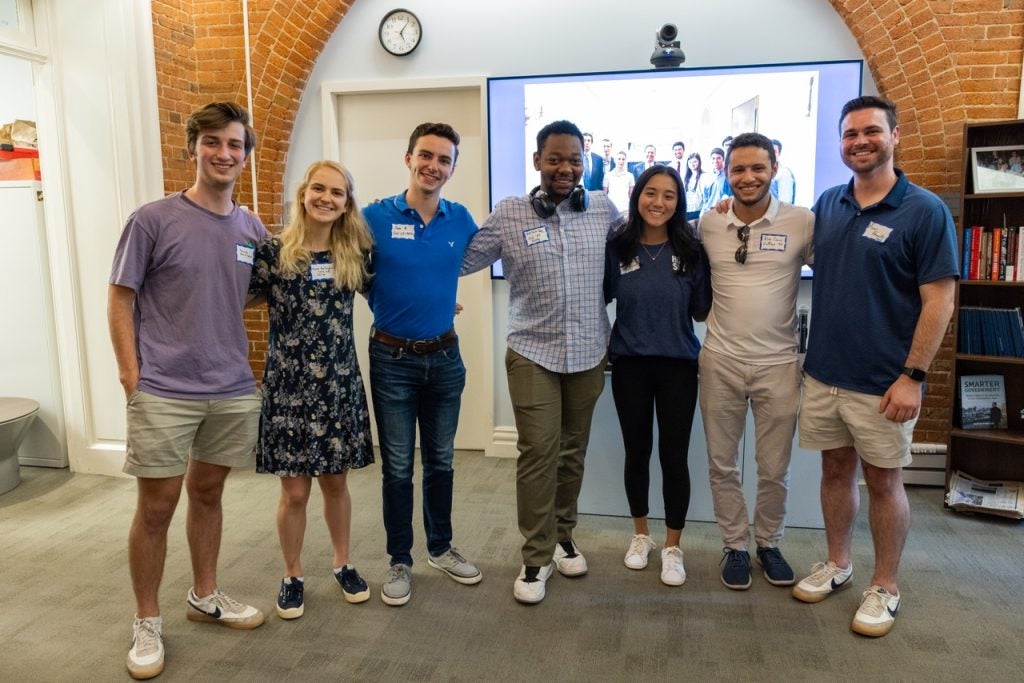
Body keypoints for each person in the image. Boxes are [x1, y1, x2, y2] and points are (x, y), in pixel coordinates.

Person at [108, 101, 267, 680]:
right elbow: (120, 296)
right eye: (213, 142)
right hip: (165, 388)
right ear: (194, 147)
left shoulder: (252, 228)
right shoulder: (152, 219)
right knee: (156, 506)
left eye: (235, 145)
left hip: (229, 386)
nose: (224, 154)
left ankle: (205, 595)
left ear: (246, 156)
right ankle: (146, 620)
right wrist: (132, 374)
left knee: (208, 495)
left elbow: (246, 293)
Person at [792, 95, 958, 637]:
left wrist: (913, 376)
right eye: (849, 134)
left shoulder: (924, 210)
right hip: (824, 374)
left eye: (871, 132)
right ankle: (839, 564)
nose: (860, 142)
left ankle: (885, 586)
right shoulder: (830, 203)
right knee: (834, 471)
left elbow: (939, 300)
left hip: (887, 382)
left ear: (894, 135)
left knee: (885, 483)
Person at [461, 119, 625, 604]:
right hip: (533, 352)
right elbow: (459, 259)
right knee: (538, 453)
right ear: (537, 161)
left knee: (572, 452)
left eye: (575, 159)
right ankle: (535, 558)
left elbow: (650, 235)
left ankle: (563, 535)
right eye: (555, 158)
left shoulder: (601, 209)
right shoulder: (511, 214)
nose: (565, 168)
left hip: (590, 352)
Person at [362, 122, 481, 607]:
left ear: (452, 169)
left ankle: (440, 547)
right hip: (392, 360)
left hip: (445, 357)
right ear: (408, 158)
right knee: (397, 468)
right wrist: (389, 300)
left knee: (441, 462)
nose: (434, 166)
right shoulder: (373, 216)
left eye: (444, 160)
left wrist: (436, 300)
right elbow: (356, 270)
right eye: (426, 155)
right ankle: (399, 559)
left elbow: (459, 265)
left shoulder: (461, 219)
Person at [249, 160, 374, 620]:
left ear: (346, 204)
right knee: (295, 494)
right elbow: (231, 296)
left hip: (338, 387)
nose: (326, 198)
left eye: (337, 193)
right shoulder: (273, 252)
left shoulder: (354, 253)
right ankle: (293, 573)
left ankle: (342, 563)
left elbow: (394, 292)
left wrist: (440, 305)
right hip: (289, 390)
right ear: (303, 194)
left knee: (335, 485)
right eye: (318, 189)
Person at [698, 132, 814, 592]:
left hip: (779, 364)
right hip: (720, 361)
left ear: (774, 167)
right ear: (726, 172)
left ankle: (768, 543)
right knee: (721, 464)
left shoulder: (803, 222)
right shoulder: (710, 222)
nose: (747, 178)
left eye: (757, 168)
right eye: (738, 169)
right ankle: (735, 546)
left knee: (774, 467)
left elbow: (842, 272)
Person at [604, 166, 711, 586]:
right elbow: (600, 296)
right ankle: (641, 536)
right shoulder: (618, 247)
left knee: (674, 456)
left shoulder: (692, 250)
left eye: (669, 195)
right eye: (651, 193)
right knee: (636, 452)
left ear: (678, 202)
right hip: (629, 364)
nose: (659, 202)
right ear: (637, 196)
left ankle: (672, 547)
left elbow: (701, 308)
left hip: (678, 366)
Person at [603, 151, 634, 215]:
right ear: (615, 160)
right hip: (612, 210)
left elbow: (631, 195)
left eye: (623, 159)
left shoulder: (630, 176)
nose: (621, 161)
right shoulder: (608, 176)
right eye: (619, 159)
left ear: (625, 160)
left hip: (625, 210)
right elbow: (605, 194)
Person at [701, 147, 730, 215]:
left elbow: (729, 196)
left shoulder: (728, 176)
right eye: (713, 158)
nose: (716, 161)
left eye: (718, 158)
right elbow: (705, 198)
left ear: (723, 159)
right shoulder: (707, 177)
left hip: (721, 212)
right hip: (707, 212)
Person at [683, 152, 708, 221]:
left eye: (695, 161)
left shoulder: (704, 176)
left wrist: (702, 214)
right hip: (687, 211)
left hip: (698, 211)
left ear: (699, 162)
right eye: (690, 162)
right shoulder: (686, 177)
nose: (692, 164)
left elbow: (706, 197)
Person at [770, 138, 797, 203]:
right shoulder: (766, 172)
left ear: (779, 153)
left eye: (774, 151)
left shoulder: (784, 174)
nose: (771, 154)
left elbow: (785, 204)